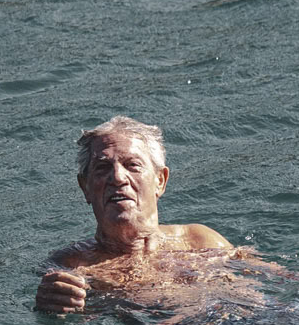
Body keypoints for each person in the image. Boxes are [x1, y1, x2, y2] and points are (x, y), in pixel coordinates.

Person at [33, 116, 236, 314]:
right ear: (85, 187)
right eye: (103, 168)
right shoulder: (71, 266)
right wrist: (51, 304)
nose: (118, 178)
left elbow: (259, 283)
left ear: (160, 181)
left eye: (132, 165)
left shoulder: (201, 241)